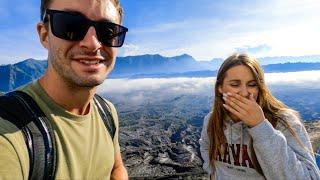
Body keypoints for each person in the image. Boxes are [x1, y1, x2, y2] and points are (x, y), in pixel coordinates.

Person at [0, 0, 129, 179]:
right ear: (44, 35)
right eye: (71, 25)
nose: (92, 44)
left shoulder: (107, 112)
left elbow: (116, 167)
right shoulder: (8, 129)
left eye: (107, 31)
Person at [199, 53, 320, 179]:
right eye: (235, 84)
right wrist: (212, 173)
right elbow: (206, 148)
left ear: (259, 87)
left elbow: (311, 176)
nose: (245, 93)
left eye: (252, 84)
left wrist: (260, 126)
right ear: (220, 88)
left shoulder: (283, 121)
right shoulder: (211, 120)